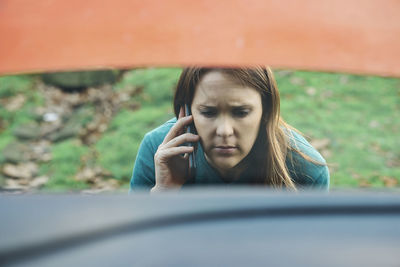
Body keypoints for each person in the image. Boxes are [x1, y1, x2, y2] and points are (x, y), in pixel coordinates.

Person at [130, 66, 329, 192]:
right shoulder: (158, 152)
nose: (224, 131)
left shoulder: (306, 170)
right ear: (186, 111)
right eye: (208, 112)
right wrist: (165, 191)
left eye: (241, 112)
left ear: (266, 113)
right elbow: (135, 251)